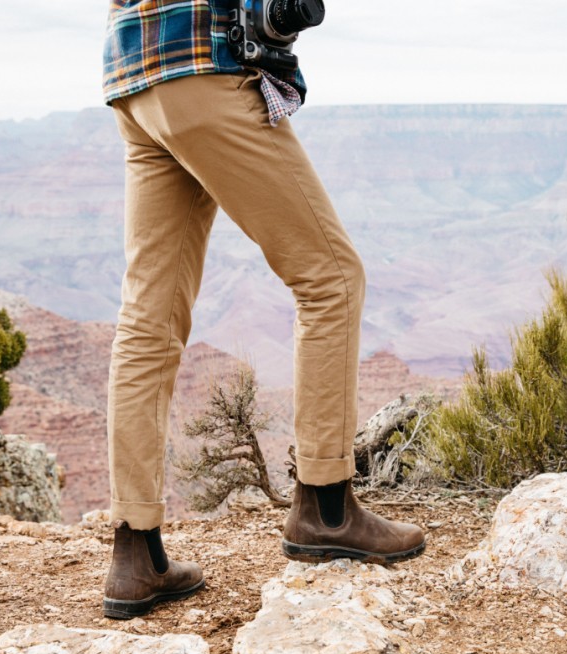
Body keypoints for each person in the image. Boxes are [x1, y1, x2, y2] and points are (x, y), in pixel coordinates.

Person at [101, 0, 426, 620]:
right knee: (332, 277)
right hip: (206, 63)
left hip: (136, 73)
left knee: (148, 320)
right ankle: (325, 508)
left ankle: (134, 554)